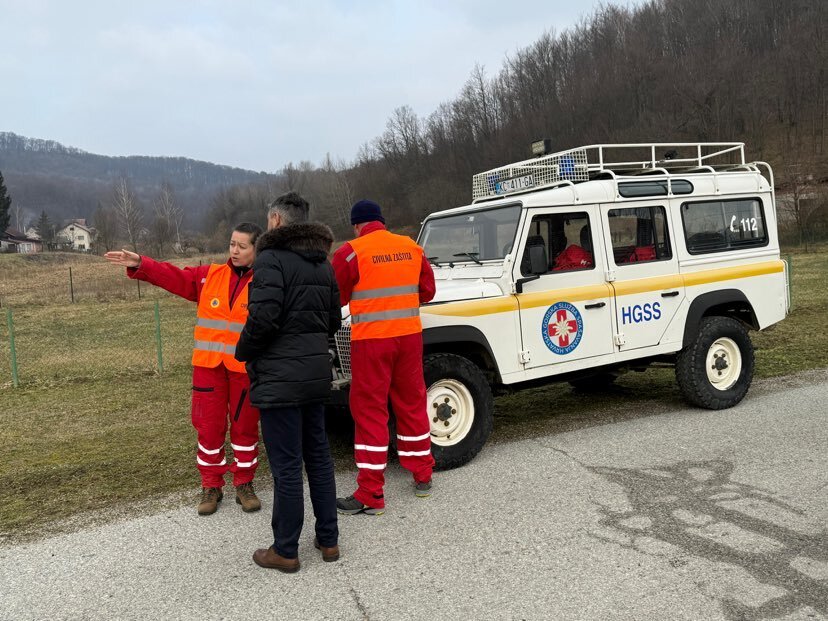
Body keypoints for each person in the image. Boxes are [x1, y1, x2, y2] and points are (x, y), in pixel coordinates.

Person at [103, 223, 263, 516]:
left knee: (245, 429)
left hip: (245, 369)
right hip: (208, 368)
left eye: (242, 246)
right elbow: (173, 277)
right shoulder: (209, 276)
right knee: (209, 428)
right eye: (231, 244)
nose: (234, 250)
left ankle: (244, 483)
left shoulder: (266, 282)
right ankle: (211, 485)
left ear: (256, 249)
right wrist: (142, 264)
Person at [235, 192, 341, 573]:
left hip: (279, 379)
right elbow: (332, 321)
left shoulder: (270, 260)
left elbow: (263, 318)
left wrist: (243, 350)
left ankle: (285, 549)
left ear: (277, 222)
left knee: (286, 466)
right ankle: (329, 540)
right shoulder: (323, 264)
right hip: (314, 376)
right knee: (319, 459)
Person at [331, 199, 436, 516]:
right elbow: (428, 291)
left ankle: (371, 493)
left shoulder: (350, 252)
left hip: (372, 341)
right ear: (382, 221)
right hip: (409, 337)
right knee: (412, 401)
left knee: (370, 410)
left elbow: (336, 295)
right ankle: (422, 475)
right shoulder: (410, 247)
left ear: (356, 225)